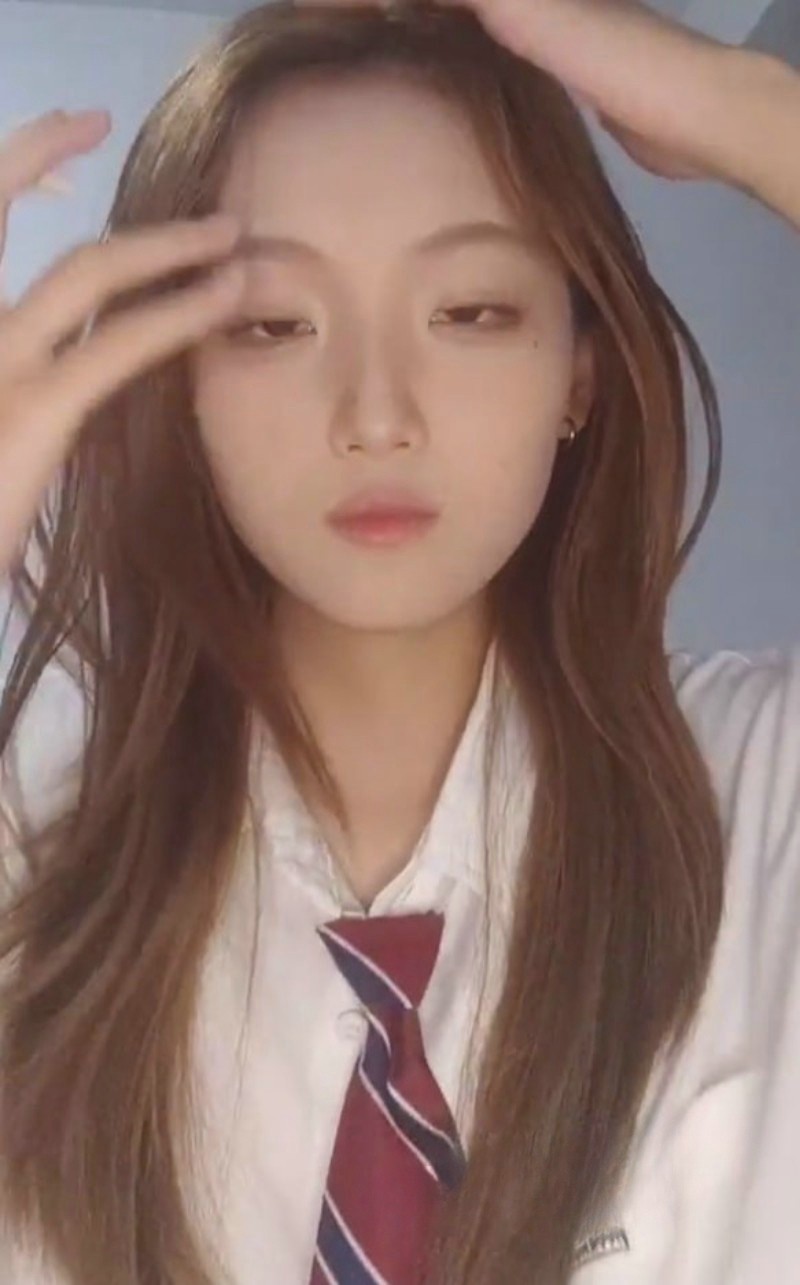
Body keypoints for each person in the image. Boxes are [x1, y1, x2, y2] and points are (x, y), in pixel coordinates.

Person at [0, 0, 798, 1282]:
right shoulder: (34, 856)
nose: (375, 415)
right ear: (175, 383)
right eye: (273, 323)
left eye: (469, 310)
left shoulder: (761, 800)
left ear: (578, 372)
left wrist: (753, 118)